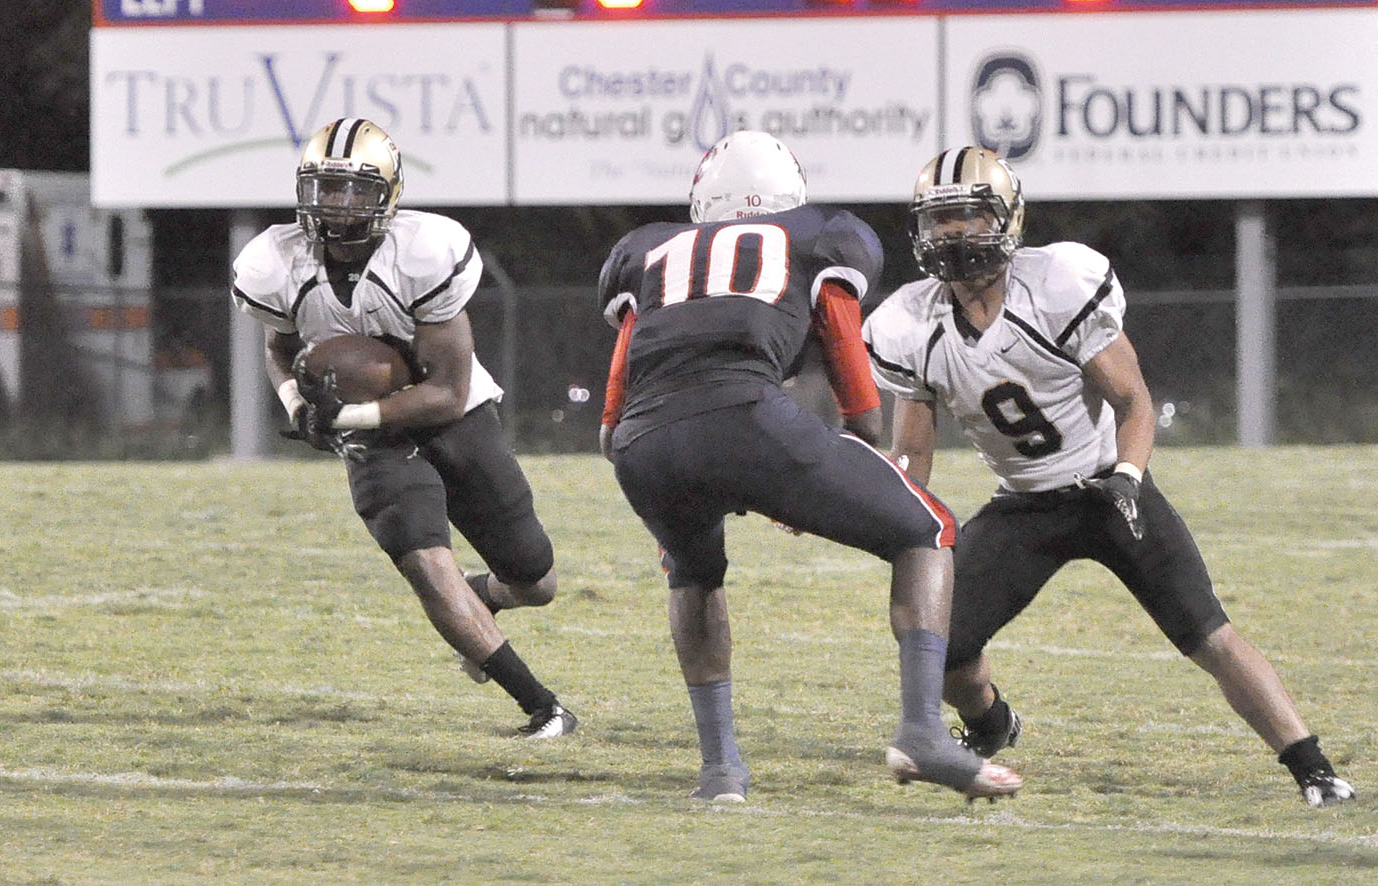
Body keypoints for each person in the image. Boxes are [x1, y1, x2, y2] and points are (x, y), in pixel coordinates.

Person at [865, 146, 1353, 808]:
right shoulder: (909, 323)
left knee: (1208, 634)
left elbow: (1134, 402)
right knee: (939, 641)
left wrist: (1127, 476)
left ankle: (1314, 768)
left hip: (1109, 490)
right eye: (940, 219)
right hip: (1023, 505)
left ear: (1007, 219)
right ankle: (991, 722)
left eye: (969, 216)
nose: (953, 233)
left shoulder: (1057, 286)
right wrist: (893, 514)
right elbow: (912, 453)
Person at [596, 131, 1021, 802]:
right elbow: (851, 370)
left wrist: (673, 475)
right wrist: (833, 456)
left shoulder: (648, 250)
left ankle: (721, 772)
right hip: (746, 416)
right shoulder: (817, 235)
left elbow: (613, 408)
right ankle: (921, 731)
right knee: (928, 528)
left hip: (641, 444)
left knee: (694, 574)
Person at [231, 117, 573, 739]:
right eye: (324, 188)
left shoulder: (424, 253)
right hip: (371, 442)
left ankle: (484, 595)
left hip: (451, 418)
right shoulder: (275, 262)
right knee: (425, 562)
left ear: (388, 194)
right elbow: (279, 347)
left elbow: (447, 392)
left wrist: (345, 415)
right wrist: (295, 404)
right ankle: (542, 707)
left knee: (536, 578)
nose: (337, 206)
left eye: (353, 189)